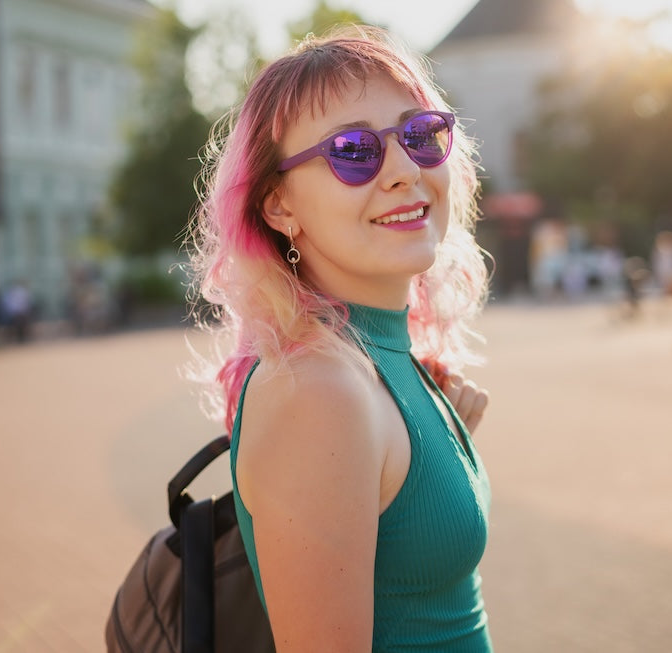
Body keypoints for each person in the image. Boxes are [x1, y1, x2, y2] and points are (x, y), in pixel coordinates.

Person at [187, 26, 494, 651]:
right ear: (279, 206)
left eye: (419, 135)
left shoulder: (372, 365)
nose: (406, 170)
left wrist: (427, 440)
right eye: (353, 151)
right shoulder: (318, 394)